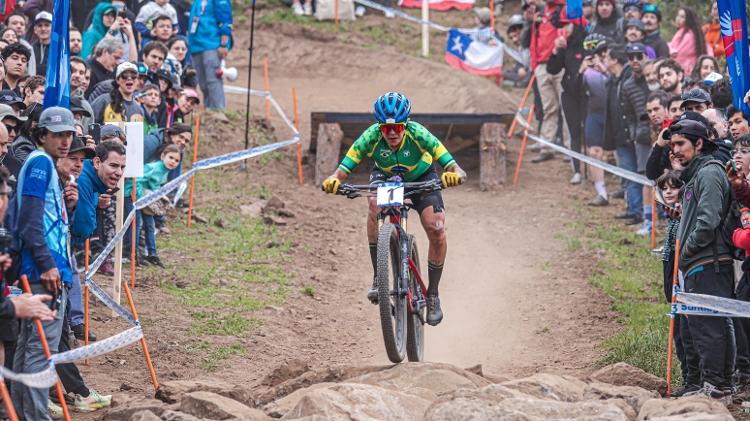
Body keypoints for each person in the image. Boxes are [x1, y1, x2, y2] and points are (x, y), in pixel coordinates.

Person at [321, 92, 467, 326]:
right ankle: (379, 277)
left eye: (397, 128)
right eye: (386, 128)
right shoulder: (371, 136)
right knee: (373, 204)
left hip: (422, 177)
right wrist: (335, 179)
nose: (391, 133)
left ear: (405, 124)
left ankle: (432, 295)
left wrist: (455, 173)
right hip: (386, 176)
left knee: (436, 227)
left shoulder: (418, 133)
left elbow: (450, 162)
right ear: (379, 126)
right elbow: (350, 160)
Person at [11, 107, 76, 421]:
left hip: (44, 265)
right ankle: (35, 416)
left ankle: (23, 414)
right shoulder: (39, 164)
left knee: (29, 348)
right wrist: (47, 264)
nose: (65, 141)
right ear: (42, 136)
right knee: (41, 352)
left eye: (68, 134)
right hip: (43, 270)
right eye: (58, 134)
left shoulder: (44, 164)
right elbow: (30, 220)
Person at [670, 112, 735, 399]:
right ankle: (712, 384)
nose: (675, 149)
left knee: (710, 325)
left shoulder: (709, 172)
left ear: (698, 144)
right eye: (673, 144)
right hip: (699, 261)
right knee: (701, 324)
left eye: (681, 143)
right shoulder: (697, 173)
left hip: (709, 261)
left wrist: (686, 250)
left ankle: (717, 387)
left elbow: (707, 221)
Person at [547, 10, 588, 184]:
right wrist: (556, 50)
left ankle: (592, 169)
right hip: (569, 94)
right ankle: (577, 170)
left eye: (568, 24)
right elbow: (553, 69)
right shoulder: (565, 45)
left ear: (576, 24)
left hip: (587, 94)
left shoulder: (587, 43)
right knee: (574, 133)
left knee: (589, 133)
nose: (565, 28)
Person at [527, 0, 568, 164]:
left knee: (566, 108)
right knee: (549, 108)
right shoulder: (541, 14)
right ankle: (546, 146)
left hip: (560, 65)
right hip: (542, 66)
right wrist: (535, 64)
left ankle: (569, 149)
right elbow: (533, 40)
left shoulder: (565, 10)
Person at [127, 144, 181, 268]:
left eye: (177, 160)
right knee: (138, 226)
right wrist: (141, 197)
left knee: (150, 226)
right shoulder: (154, 167)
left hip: (148, 200)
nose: (173, 162)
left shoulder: (165, 171)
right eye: (171, 158)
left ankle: (152, 254)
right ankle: (134, 255)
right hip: (137, 197)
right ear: (163, 156)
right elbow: (137, 179)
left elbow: (155, 185)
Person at [622, 43, 652, 235]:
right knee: (645, 178)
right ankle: (649, 221)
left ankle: (666, 219)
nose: (634, 60)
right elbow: (628, 113)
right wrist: (634, 134)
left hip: (663, 133)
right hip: (641, 137)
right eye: (630, 56)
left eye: (638, 56)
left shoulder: (654, 78)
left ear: (646, 57)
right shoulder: (627, 85)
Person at [188, 0, 233, 118]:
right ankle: (209, 110)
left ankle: (218, 110)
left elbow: (225, 20)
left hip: (212, 44)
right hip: (196, 45)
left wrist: (224, 44)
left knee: (213, 79)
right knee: (202, 82)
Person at [580, 34, 610, 205]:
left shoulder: (613, 65)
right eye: (596, 54)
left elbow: (618, 83)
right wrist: (581, 71)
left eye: (603, 52)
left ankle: (626, 191)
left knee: (617, 154)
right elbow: (574, 91)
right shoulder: (587, 70)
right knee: (594, 152)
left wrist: (604, 69)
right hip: (594, 112)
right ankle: (601, 193)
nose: (600, 56)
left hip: (612, 114)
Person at [667, 7, 706, 77]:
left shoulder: (690, 35)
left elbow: (678, 54)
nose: (678, 19)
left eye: (682, 17)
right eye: (678, 15)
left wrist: (669, 48)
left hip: (687, 73)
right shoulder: (681, 32)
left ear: (689, 20)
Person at [4, 11, 37, 77]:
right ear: (6, 26)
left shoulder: (28, 48)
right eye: (14, 23)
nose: (19, 26)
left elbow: (31, 74)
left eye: (22, 24)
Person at [31, 11, 51, 77]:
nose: (43, 29)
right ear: (35, 29)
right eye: (40, 26)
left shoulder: (60, 49)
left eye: (47, 25)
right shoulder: (30, 49)